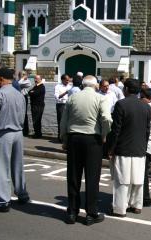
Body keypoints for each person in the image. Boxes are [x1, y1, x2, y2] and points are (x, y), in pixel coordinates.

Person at [60, 75, 112, 225]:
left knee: (73, 176)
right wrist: (104, 135)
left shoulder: (72, 98)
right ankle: (91, 213)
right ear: (96, 85)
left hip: (74, 138)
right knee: (92, 177)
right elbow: (107, 119)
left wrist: (64, 139)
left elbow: (64, 120)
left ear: (83, 85)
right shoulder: (100, 98)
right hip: (92, 139)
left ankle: (72, 212)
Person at [107, 79, 151, 217]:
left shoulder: (121, 104)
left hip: (124, 148)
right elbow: (147, 130)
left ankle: (120, 208)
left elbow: (116, 130)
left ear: (126, 89)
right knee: (138, 180)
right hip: (140, 148)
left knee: (122, 180)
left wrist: (110, 148)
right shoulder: (146, 106)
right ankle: (136, 205)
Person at [0, 68, 30, 212]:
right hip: (17, 132)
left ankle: (2, 201)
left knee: (1, 167)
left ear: (1, 79)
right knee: (17, 165)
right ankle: (22, 194)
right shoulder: (19, 94)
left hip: (1, 133)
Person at [140, 88, 151, 207]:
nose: (140, 100)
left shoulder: (149, 108)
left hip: (147, 144)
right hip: (149, 144)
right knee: (143, 173)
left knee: (143, 173)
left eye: (142, 97)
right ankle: (144, 197)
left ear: (149, 98)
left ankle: (145, 198)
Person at [55, 74, 72, 141]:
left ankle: (67, 138)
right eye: (66, 80)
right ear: (62, 80)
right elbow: (57, 97)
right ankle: (60, 137)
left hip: (69, 105)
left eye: (68, 80)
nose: (68, 81)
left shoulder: (70, 86)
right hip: (61, 105)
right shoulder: (58, 86)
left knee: (68, 121)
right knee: (61, 121)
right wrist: (65, 93)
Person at [18, 70, 32, 136]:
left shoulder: (27, 81)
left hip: (23, 97)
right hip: (17, 97)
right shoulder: (19, 80)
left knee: (24, 113)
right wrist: (21, 79)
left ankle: (25, 131)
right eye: (21, 74)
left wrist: (23, 79)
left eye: (24, 74)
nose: (22, 75)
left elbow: (19, 84)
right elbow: (18, 83)